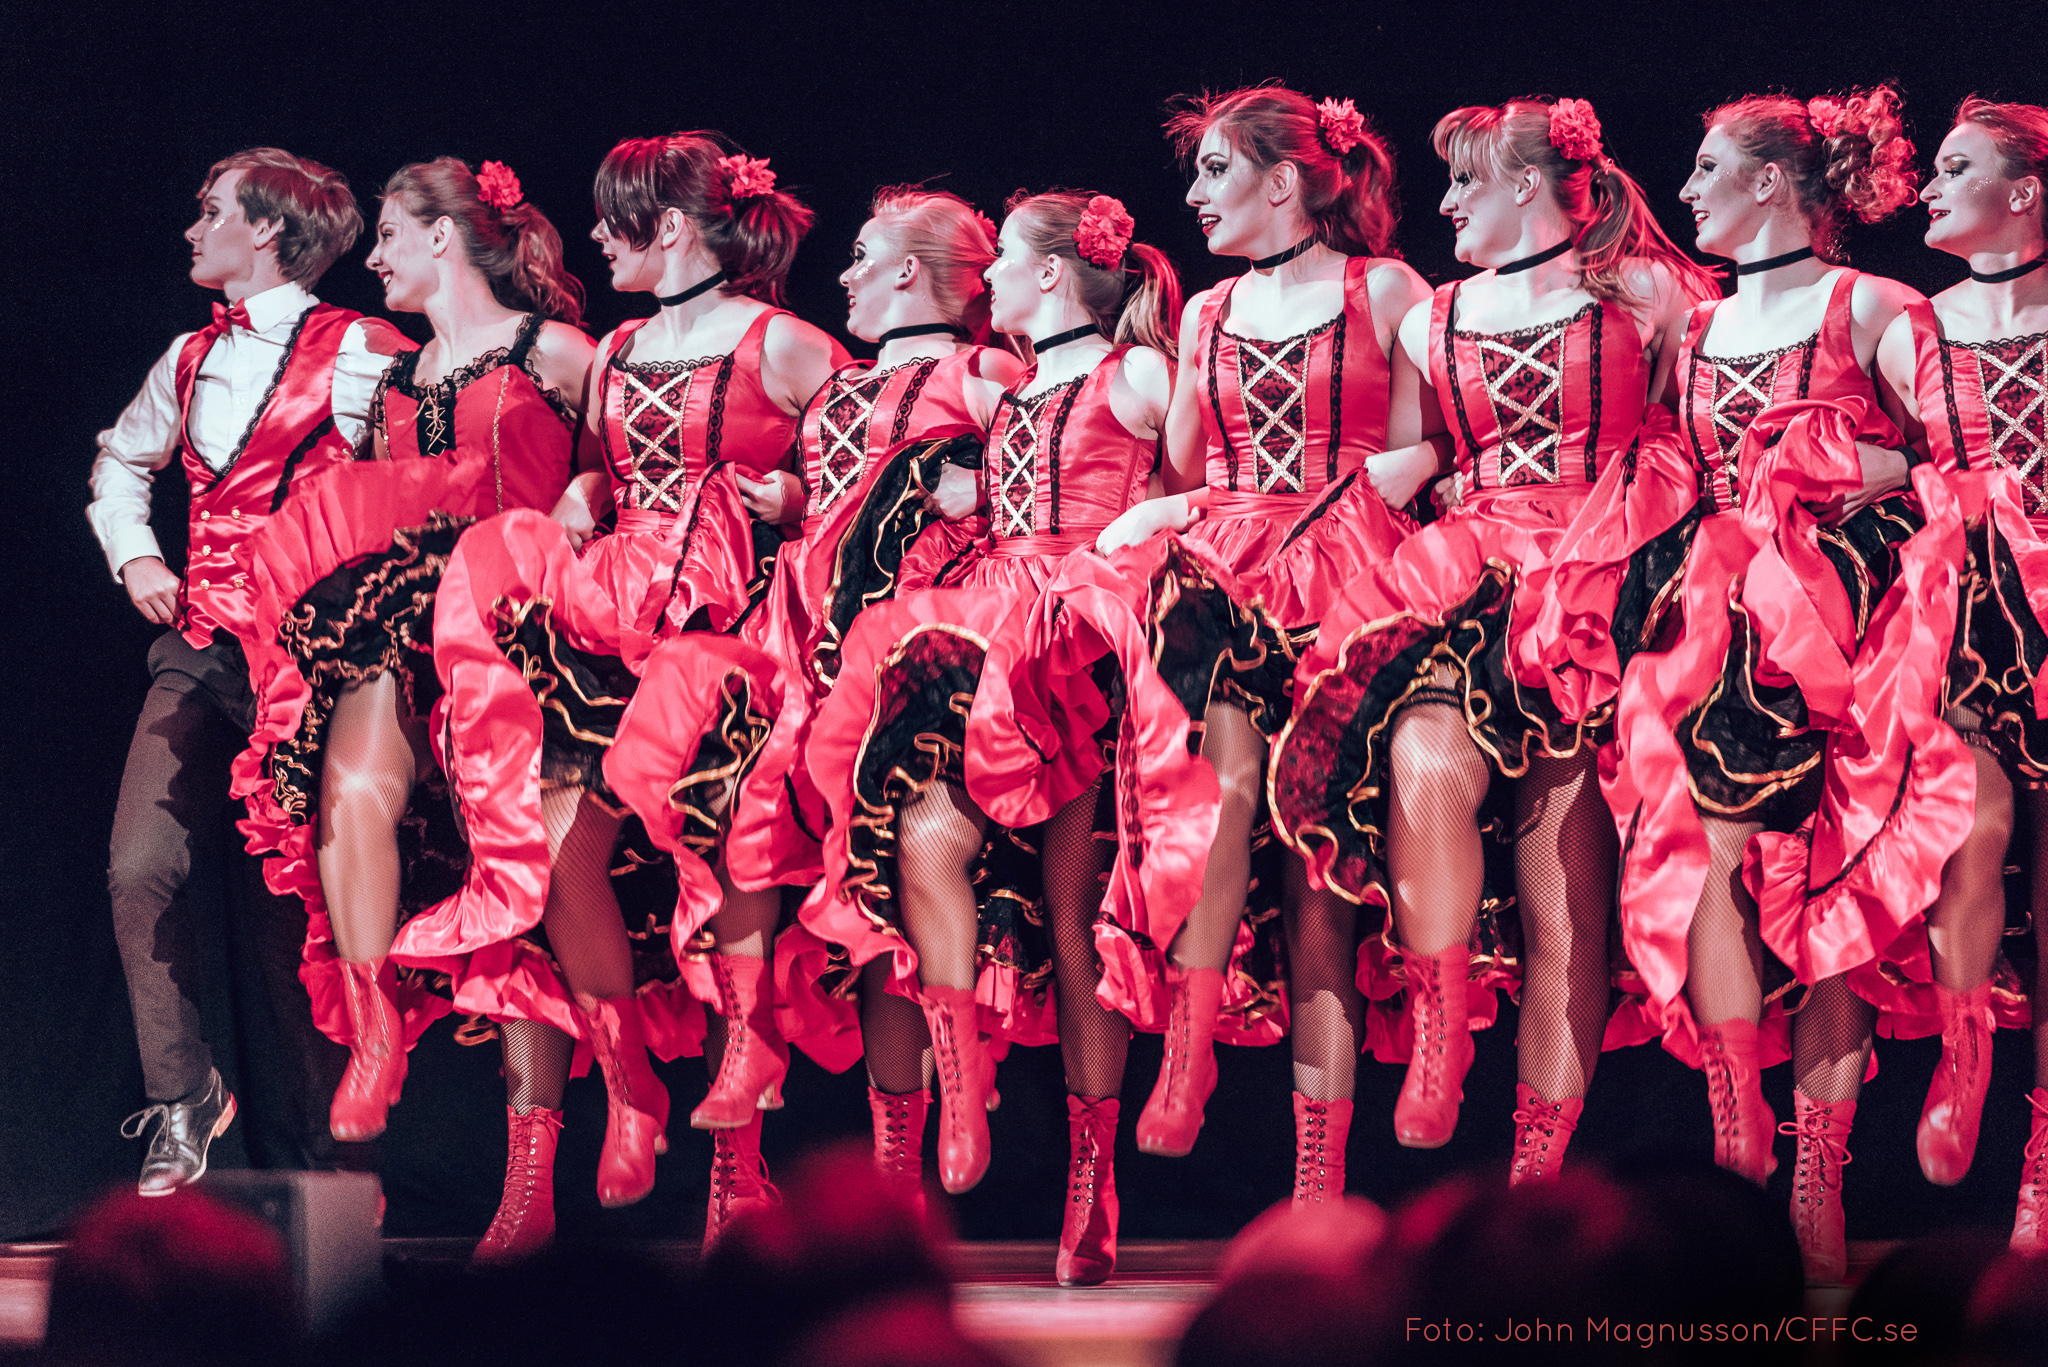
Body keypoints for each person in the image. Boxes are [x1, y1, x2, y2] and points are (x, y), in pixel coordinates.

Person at [1268, 96, 1711, 1178]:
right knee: (1422, 766)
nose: (1448, 204)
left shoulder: (1648, 292)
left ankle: (1536, 1172)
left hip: (1603, 580)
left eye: (1466, 180)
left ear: (1523, 184)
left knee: (1563, 888)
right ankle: (1438, 1023)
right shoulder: (1433, 317)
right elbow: (1416, 460)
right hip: (1470, 574)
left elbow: (1692, 439)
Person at [425, 131, 842, 1256]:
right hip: (611, 614)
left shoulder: (786, 343)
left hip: (733, 626)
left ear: (671, 226)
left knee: (732, 852)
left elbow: (863, 473)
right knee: (548, 850)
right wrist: (575, 503)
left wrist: (789, 494)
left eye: (616, 221)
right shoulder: (614, 349)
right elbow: (599, 474)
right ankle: (621, 1086)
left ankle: (739, 1165)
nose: (598, 239)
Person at [605, 185, 1019, 1243]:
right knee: (730, 815)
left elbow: (1043, 475)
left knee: (884, 880)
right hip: (802, 628)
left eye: (862, 255)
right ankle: (741, 1098)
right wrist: (791, 502)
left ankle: (906, 1164)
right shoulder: (840, 381)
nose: (842, 274)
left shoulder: (982, 374)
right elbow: (829, 484)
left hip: (913, 636)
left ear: (910, 271)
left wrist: (974, 495)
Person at [1569, 88, 1928, 1282]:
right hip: (1712, 610)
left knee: (1832, 872)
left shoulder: (1870, 304)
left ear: (1770, 181)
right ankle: (1739, 1139)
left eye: (1705, 167)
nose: (1685, 189)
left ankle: (1818, 1167)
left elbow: (1952, 450)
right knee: (1698, 847)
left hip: (1841, 604)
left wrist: (1841, 468)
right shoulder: (1698, 322)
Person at [803, 188, 1176, 1284]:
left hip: (1085, 639)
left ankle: (1091, 1179)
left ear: (1050, 272)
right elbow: (972, 482)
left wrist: (1153, 516)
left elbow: (1214, 481)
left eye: (1002, 257)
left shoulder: (1132, 374)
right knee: (916, 841)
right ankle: (955, 1083)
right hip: (988, 628)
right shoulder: (1011, 387)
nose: (987, 278)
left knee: (1076, 908)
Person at [229, 156, 592, 1259]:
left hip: (525, 626)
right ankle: (373, 1022)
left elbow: (623, 469)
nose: (374, 255)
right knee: (347, 789)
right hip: (404, 616)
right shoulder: (384, 377)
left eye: (388, 232)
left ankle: (530, 1177)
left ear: (443, 236)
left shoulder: (557, 353)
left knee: (519, 888)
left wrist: (586, 495)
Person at [1074, 86, 1432, 1193]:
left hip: (1349, 562)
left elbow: (1427, 445)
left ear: (1282, 181)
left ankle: (1318, 1180)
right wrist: (1157, 510)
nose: (1193, 193)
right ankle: (1186, 1050)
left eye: (1214, 169)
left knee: (1319, 871)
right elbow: (1194, 469)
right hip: (1229, 565)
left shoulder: (1385, 289)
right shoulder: (1208, 311)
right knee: (1219, 785)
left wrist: (1394, 475)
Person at [90, 147, 406, 1194]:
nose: (193, 229)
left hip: (311, 667)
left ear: (267, 228)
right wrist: (136, 554)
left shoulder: (360, 348)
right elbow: (121, 459)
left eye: (211, 210)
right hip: (201, 649)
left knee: (296, 915)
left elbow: (422, 478)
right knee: (140, 863)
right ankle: (184, 1095)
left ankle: (327, 1165)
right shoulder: (188, 356)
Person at [1897, 98, 2048, 1246]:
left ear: (2023, 191)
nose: (1926, 186)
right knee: (1967, 829)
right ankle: (1961, 1047)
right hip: (1967, 604)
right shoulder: (1916, 323)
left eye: (1954, 169)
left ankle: (2042, 1155)